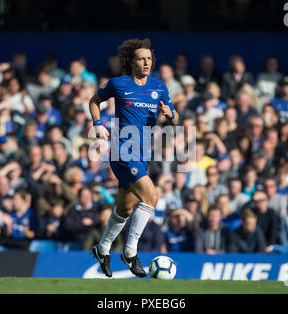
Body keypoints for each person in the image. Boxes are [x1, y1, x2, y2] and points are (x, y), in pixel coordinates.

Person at [88, 38, 178, 278]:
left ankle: (102, 248)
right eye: (141, 58)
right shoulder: (118, 84)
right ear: (132, 61)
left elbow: (175, 118)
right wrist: (97, 124)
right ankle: (130, 253)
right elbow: (94, 101)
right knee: (152, 196)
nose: (147, 62)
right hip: (123, 151)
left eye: (149, 58)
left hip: (142, 154)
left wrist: (170, 115)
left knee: (125, 208)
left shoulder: (159, 87)